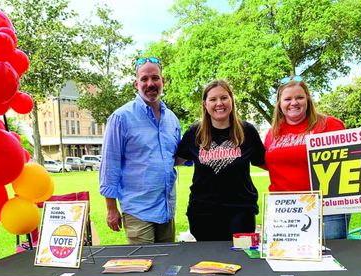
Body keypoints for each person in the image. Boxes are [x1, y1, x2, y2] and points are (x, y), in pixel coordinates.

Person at [99, 57, 181, 244]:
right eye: (144, 79)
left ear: (163, 81)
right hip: (138, 210)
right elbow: (110, 165)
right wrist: (111, 209)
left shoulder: (172, 120)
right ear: (136, 84)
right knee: (144, 266)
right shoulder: (121, 118)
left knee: (167, 263)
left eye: (155, 78)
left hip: (167, 209)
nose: (150, 83)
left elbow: (175, 157)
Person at [264, 75, 353, 239]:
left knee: (330, 257)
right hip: (285, 210)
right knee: (287, 261)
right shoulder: (273, 133)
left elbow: (354, 162)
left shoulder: (330, 125)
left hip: (326, 208)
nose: (294, 103)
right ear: (279, 104)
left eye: (299, 97)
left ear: (308, 99)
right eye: (287, 99)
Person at [176, 80, 265, 241]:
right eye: (213, 99)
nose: (219, 103)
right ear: (205, 104)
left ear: (231, 99)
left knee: (241, 260)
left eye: (224, 98)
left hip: (241, 212)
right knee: (209, 263)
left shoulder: (247, 131)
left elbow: (266, 162)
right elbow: (173, 160)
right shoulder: (194, 133)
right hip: (203, 213)